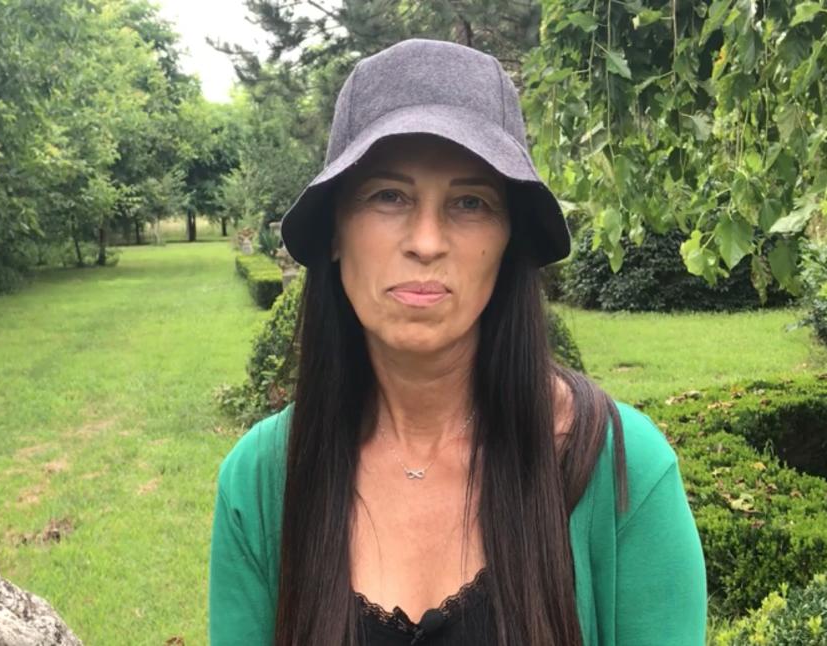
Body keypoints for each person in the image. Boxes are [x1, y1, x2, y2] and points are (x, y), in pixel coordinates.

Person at [208, 38, 707, 645]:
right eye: (388, 196)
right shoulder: (263, 482)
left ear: (508, 239)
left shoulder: (621, 472)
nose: (426, 241)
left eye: (470, 202)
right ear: (336, 230)